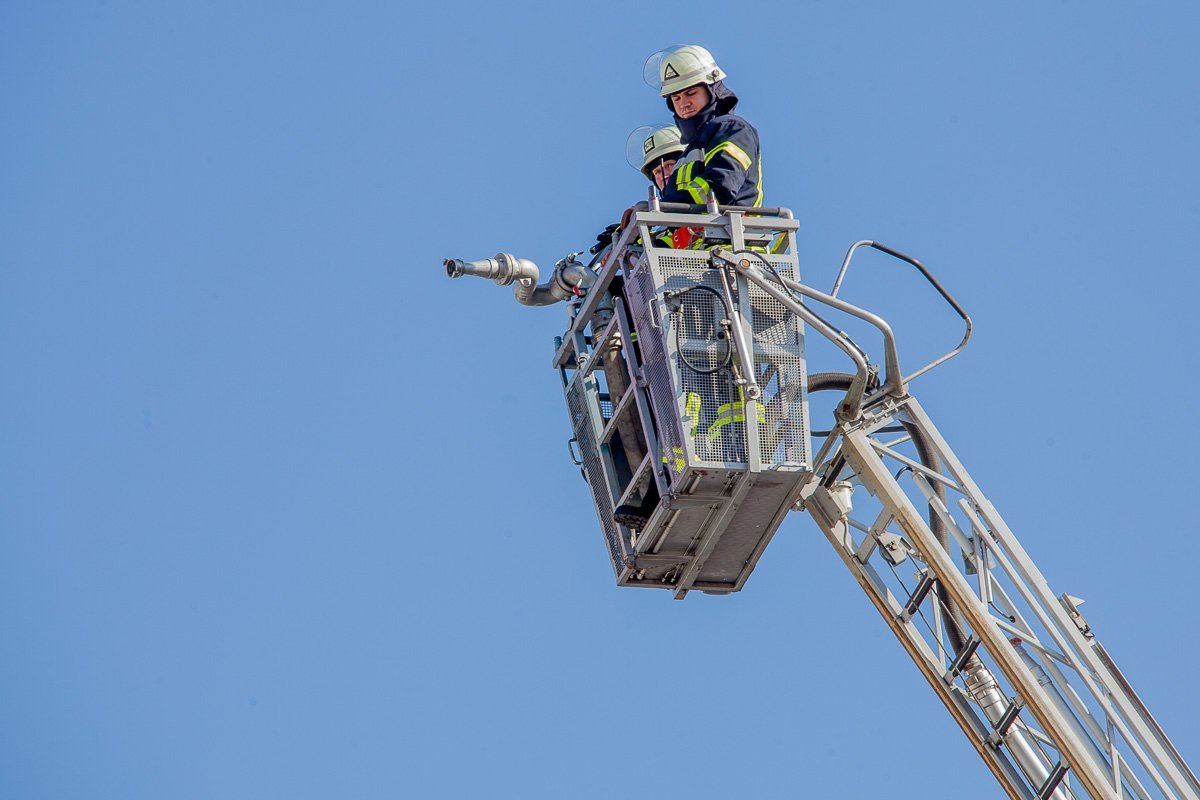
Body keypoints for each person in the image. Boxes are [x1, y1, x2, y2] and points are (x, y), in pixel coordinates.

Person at [651, 45, 763, 209]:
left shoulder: (733, 129)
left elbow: (719, 185)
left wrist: (661, 207)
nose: (684, 104)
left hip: (729, 231)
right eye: (676, 98)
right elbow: (673, 224)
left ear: (712, 90)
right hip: (700, 233)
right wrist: (631, 229)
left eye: (691, 93)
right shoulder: (688, 155)